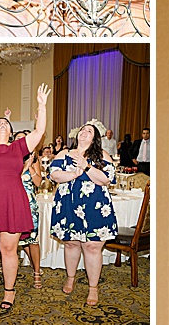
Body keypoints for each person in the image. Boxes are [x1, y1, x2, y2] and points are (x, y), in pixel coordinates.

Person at [0, 76, 51, 312]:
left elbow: (40, 130)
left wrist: (42, 105)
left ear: (11, 131)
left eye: (6, 123)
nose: (2, 124)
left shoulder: (19, 147)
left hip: (13, 202)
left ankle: (9, 291)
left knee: (8, 250)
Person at [49, 123, 117, 307]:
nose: (84, 132)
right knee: (71, 244)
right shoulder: (64, 154)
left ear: (95, 139)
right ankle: (70, 278)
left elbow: (106, 179)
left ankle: (93, 287)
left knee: (92, 247)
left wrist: (86, 167)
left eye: (89, 131)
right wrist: (73, 174)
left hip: (95, 206)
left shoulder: (102, 155)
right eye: (82, 130)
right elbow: (54, 175)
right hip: (68, 205)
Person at [16, 131, 43, 289]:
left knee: (32, 240)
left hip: (29, 204)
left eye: (23, 139)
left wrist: (31, 165)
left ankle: (37, 273)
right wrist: (24, 166)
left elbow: (38, 183)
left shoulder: (34, 159)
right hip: (12, 204)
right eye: (18, 138)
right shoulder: (9, 158)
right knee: (12, 241)